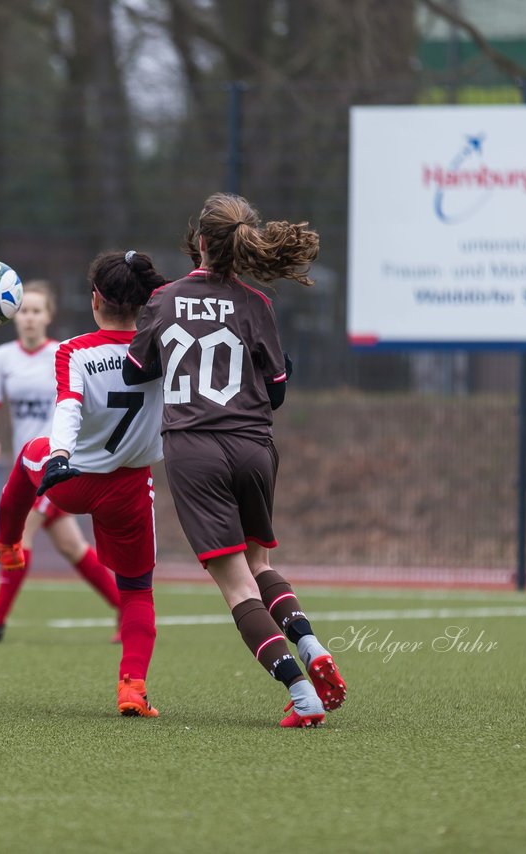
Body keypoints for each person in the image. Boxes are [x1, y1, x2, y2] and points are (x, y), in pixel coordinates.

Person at [125, 193, 345, 728]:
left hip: (195, 450)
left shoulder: (165, 299)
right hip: (253, 447)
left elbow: (136, 372)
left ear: (199, 241)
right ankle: (311, 644)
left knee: (236, 584)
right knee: (259, 564)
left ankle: (301, 692)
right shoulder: (257, 303)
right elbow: (275, 393)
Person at [0, 250, 166, 716]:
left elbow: (67, 405)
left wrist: (61, 454)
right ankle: (132, 686)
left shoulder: (74, 350)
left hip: (74, 479)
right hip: (129, 488)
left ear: (95, 301)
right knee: (137, 592)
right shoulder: (165, 348)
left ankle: (8, 544)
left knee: (29, 455)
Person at [0, 280, 123, 642]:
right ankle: (126, 610)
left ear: (48, 316)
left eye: (37, 311)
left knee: (21, 534)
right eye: (23, 311)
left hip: (56, 464)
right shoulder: (2, 357)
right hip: (25, 467)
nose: (29, 318)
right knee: (72, 547)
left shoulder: (63, 353)